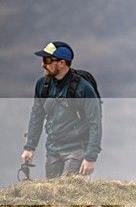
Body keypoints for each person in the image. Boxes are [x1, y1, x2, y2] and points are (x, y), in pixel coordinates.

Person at [21, 41, 102, 178]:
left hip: (76, 150)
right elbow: (37, 116)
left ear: (62, 63)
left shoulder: (83, 89)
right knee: (53, 193)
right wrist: (29, 147)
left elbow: (95, 122)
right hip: (52, 150)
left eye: (46, 60)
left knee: (67, 192)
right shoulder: (42, 85)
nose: (42, 64)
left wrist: (90, 157)